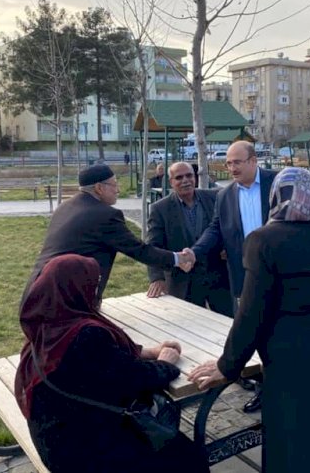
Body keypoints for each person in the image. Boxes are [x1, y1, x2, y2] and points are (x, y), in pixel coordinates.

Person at [188, 168, 310, 473]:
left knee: (300, 441)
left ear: (276, 197)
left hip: (295, 359)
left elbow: (251, 314)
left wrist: (227, 366)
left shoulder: (264, 240)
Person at [15, 254, 209, 473]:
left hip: (54, 437)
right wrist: (165, 362)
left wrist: (149, 351)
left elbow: (102, 362)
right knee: (189, 458)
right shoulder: (85, 335)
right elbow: (135, 379)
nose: (97, 291)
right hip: (81, 453)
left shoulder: (47, 323)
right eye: (94, 284)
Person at [191, 140, 278, 413]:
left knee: (279, 334)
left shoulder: (277, 182)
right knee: (256, 333)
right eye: (228, 163)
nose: (231, 168)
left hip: (281, 275)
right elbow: (215, 229)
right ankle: (263, 389)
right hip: (246, 277)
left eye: (237, 162)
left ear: (253, 161)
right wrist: (194, 252)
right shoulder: (224, 196)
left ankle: (283, 388)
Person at [25, 164, 194, 302]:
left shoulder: (66, 206)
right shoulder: (104, 215)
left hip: (37, 291)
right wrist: (179, 258)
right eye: (114, 184)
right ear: (99, 188)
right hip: (64, 300)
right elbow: (139, 250)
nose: (117, 189)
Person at [146, 162, 232, 317]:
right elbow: (153, 246)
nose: (185, 180)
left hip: (218, 277)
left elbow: (228, 227)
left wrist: (228, 247)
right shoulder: (160, 209)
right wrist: (156, 278)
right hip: (184, 281)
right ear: (171, 182)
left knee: (230, 325)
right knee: (189, 328)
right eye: (179, 177)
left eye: (189, 175)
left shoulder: (214, 198)